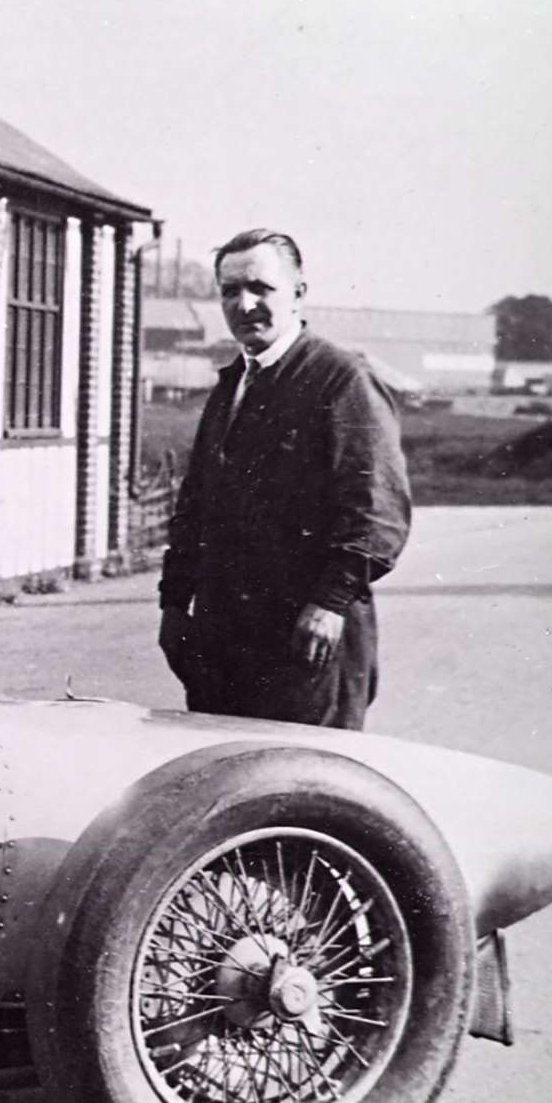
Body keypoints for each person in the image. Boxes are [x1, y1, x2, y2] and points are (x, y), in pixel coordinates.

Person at [158, 230, 410, 730]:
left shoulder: (341, 379)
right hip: (222, 641)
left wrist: (330, 603)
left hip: (308, 640)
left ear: (298, 293)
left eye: (260, 288)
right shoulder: (233, 386)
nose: (243, 304)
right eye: (229, 291)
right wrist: (172, 604)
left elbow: (376, 511)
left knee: (304, 785)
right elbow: (195, 508)